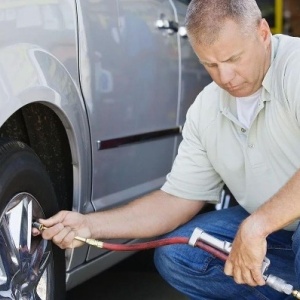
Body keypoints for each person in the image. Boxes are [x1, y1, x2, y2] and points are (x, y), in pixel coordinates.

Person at [35, 0, 300, 299]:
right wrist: (88, 224)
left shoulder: (295, 67)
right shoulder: (206, 109)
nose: (225, 77)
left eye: (234, 58)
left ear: (263, 32)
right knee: (181, 255)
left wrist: (257, 225)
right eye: (210, 64)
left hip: (276, 225)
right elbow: (176, 200)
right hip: (279, 234)